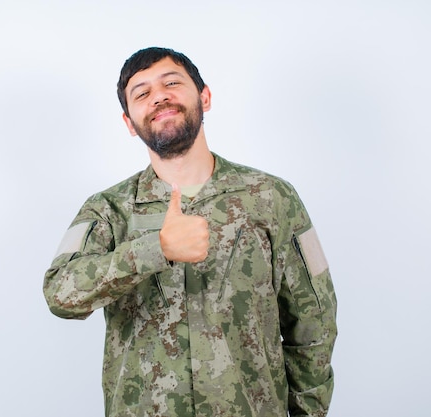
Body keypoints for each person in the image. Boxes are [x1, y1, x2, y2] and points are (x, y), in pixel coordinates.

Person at [43, 47, 337, 417]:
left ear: (205, 97)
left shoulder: (273, 197)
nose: (159, 96)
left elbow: (314, 321)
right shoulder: (108, 210)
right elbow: (60, 293)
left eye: (171, 83)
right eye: (142, 93)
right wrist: (155, 248)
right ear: (129, 123)